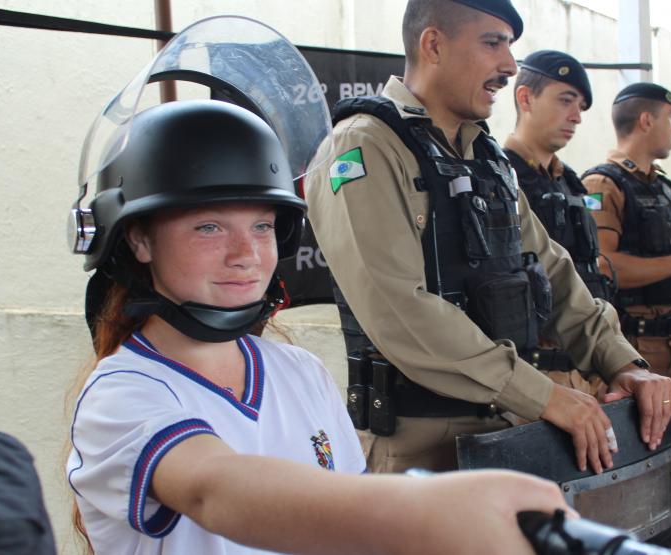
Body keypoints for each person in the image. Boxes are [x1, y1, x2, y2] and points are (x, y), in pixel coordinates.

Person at [65, 18, 574, 555]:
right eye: (208, 227)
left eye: (262, 226)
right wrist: (422, 509)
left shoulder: (298, 372)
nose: (246, 255)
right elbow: (215, 490)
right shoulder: (122, 393)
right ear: (139, 241)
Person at [306, 0, 671, 477]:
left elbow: (553, 270)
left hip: (507, 428)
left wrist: (623, 362)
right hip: (419, 448)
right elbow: (399, 308)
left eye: (510, 46)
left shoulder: (485, 156)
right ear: (433, 44)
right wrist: (544, 395)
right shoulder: (362, 145)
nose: (509, 66)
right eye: (492, 43)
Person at [582, 83, 671, 383]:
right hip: (629, 347)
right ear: (646, 120)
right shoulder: (600, 186)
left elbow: (665, 258)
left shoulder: (665, 188)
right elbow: (603, 266)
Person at [503, 50, 614, 396]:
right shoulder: (498, 178)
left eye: (580, 106)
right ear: (525, 98)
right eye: (566, 100)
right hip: (535, 376)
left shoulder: (571, 183)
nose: (576, 116)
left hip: (585, 366)